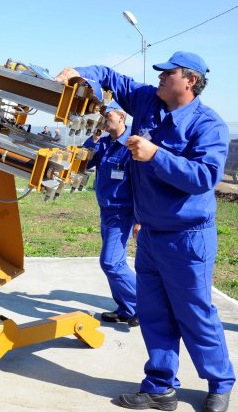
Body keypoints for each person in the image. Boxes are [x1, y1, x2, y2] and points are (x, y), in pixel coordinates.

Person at [56, 52, 235, 412]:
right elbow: (111, 77)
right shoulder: (147, 101)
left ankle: (220, 383)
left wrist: (156, 155)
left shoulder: (208, 125)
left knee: (195, 313)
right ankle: (160, 387)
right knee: (154, 314)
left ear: (190, 81)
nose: (160, 77)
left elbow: (203, 177)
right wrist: (79, 72)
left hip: (188, 237)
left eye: (168, 73)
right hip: (152, 234)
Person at [83, 100, 139, 327]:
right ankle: (127, 309)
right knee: (116, 263)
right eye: (102, 117)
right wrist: (94, 139)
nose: (104, 121)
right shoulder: (104, 143)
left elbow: (141, 186)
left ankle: (146, 305)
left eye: (108, 117)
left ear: (122, 117)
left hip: (122, 214)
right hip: (106, 212)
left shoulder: (132, 146)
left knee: (110, 263)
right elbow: (85, 163)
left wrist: (139, 219)